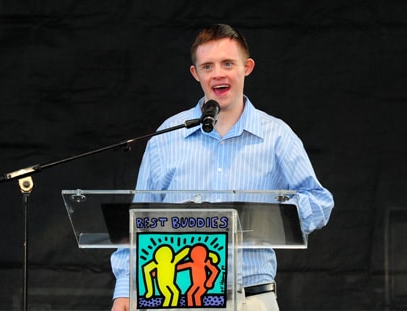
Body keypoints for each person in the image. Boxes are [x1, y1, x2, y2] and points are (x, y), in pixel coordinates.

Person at [110, 23, 334, 311]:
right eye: (207, 66)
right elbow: (138, 219)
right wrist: (125, 289)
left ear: (247, 67)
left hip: (251, 297)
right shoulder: (167, 135)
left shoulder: (277, 136)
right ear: (196, 74)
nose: (218, 73)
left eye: (228, 63)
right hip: (175, 296)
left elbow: (319, 201)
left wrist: (265, 219)